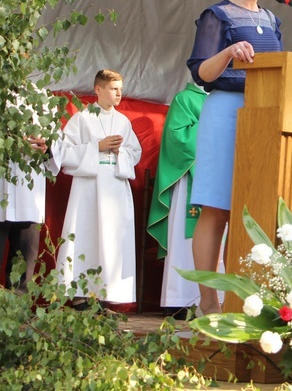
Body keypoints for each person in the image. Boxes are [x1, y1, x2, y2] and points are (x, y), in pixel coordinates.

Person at [187, 0, 283, 315]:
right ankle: (207, 299)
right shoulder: (218, 15)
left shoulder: (273, 19)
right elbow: (201, 74)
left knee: (249, 208)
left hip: (263, 116)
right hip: (225, 112)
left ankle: (236, 298)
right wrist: (228, 51)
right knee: (217, 207)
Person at [56, 69, 142, 306]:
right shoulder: (82, 119)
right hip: (89, 187)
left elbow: (135, 153)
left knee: (112, 240)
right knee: (86, 235)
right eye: (114, 89)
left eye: (121, 90)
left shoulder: (123, 121)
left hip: (115, 184)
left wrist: (119, 151)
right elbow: (64, 152)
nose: (118, 94)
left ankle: (106, 297)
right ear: (98, 90)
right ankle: (80, 296)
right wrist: (97, 147)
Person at [147, 83, 221, 316]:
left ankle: (216, 299)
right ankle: (180, 300)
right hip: (191, 178)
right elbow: (178, 138)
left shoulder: (223, 99)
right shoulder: (185, 99)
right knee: (184, 240)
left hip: (218, 178)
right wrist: (215, 125)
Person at [1, 91, 62, 291]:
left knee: (24, 256)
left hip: (29, 193)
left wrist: (47, 148)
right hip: (3, 185)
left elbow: (58, 141)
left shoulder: (42, 96)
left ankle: (17, 312)